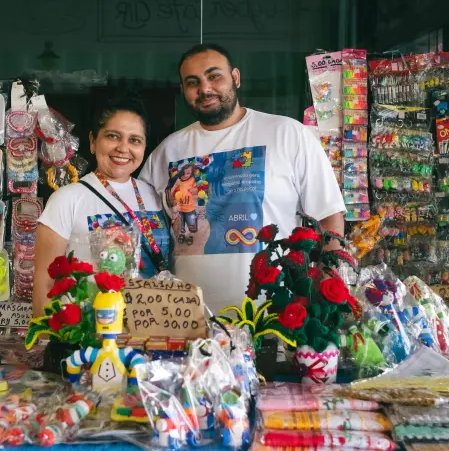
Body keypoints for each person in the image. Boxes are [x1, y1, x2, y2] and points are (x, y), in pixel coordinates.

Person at [140, 43, 346, 311]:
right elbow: (144, 230)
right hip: (188, 318)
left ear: (235, 77)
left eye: (214, 76)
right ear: (183, 90)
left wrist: (327, 287)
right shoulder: (167, 151)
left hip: (274, 316)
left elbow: (328, 216)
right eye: (193, 82)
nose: (205, 88)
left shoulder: (287, 134)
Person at [33, 94, 170, 312]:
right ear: (93, 141)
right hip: (92, 328)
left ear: (144, 147)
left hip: (152, 323)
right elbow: (44, 293)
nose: (123, 148)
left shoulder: (154, 195)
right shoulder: (66, 199)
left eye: (134, 140)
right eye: (113, 136)